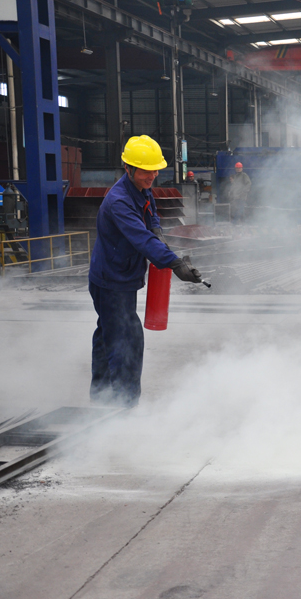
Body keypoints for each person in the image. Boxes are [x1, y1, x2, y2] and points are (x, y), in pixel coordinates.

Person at [88, 136, 203, 407]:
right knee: (126, 340)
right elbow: (140, 238)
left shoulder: (141, 188)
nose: (152, 176)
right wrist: (174, 262)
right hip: (112, 281)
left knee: (107, 335)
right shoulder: (119, 201)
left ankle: (101, 398)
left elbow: (151, 217)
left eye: (155, 170)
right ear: (128, 168)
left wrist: (158, 234)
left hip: (121, 275)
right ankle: (124, 406)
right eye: (145, 171)